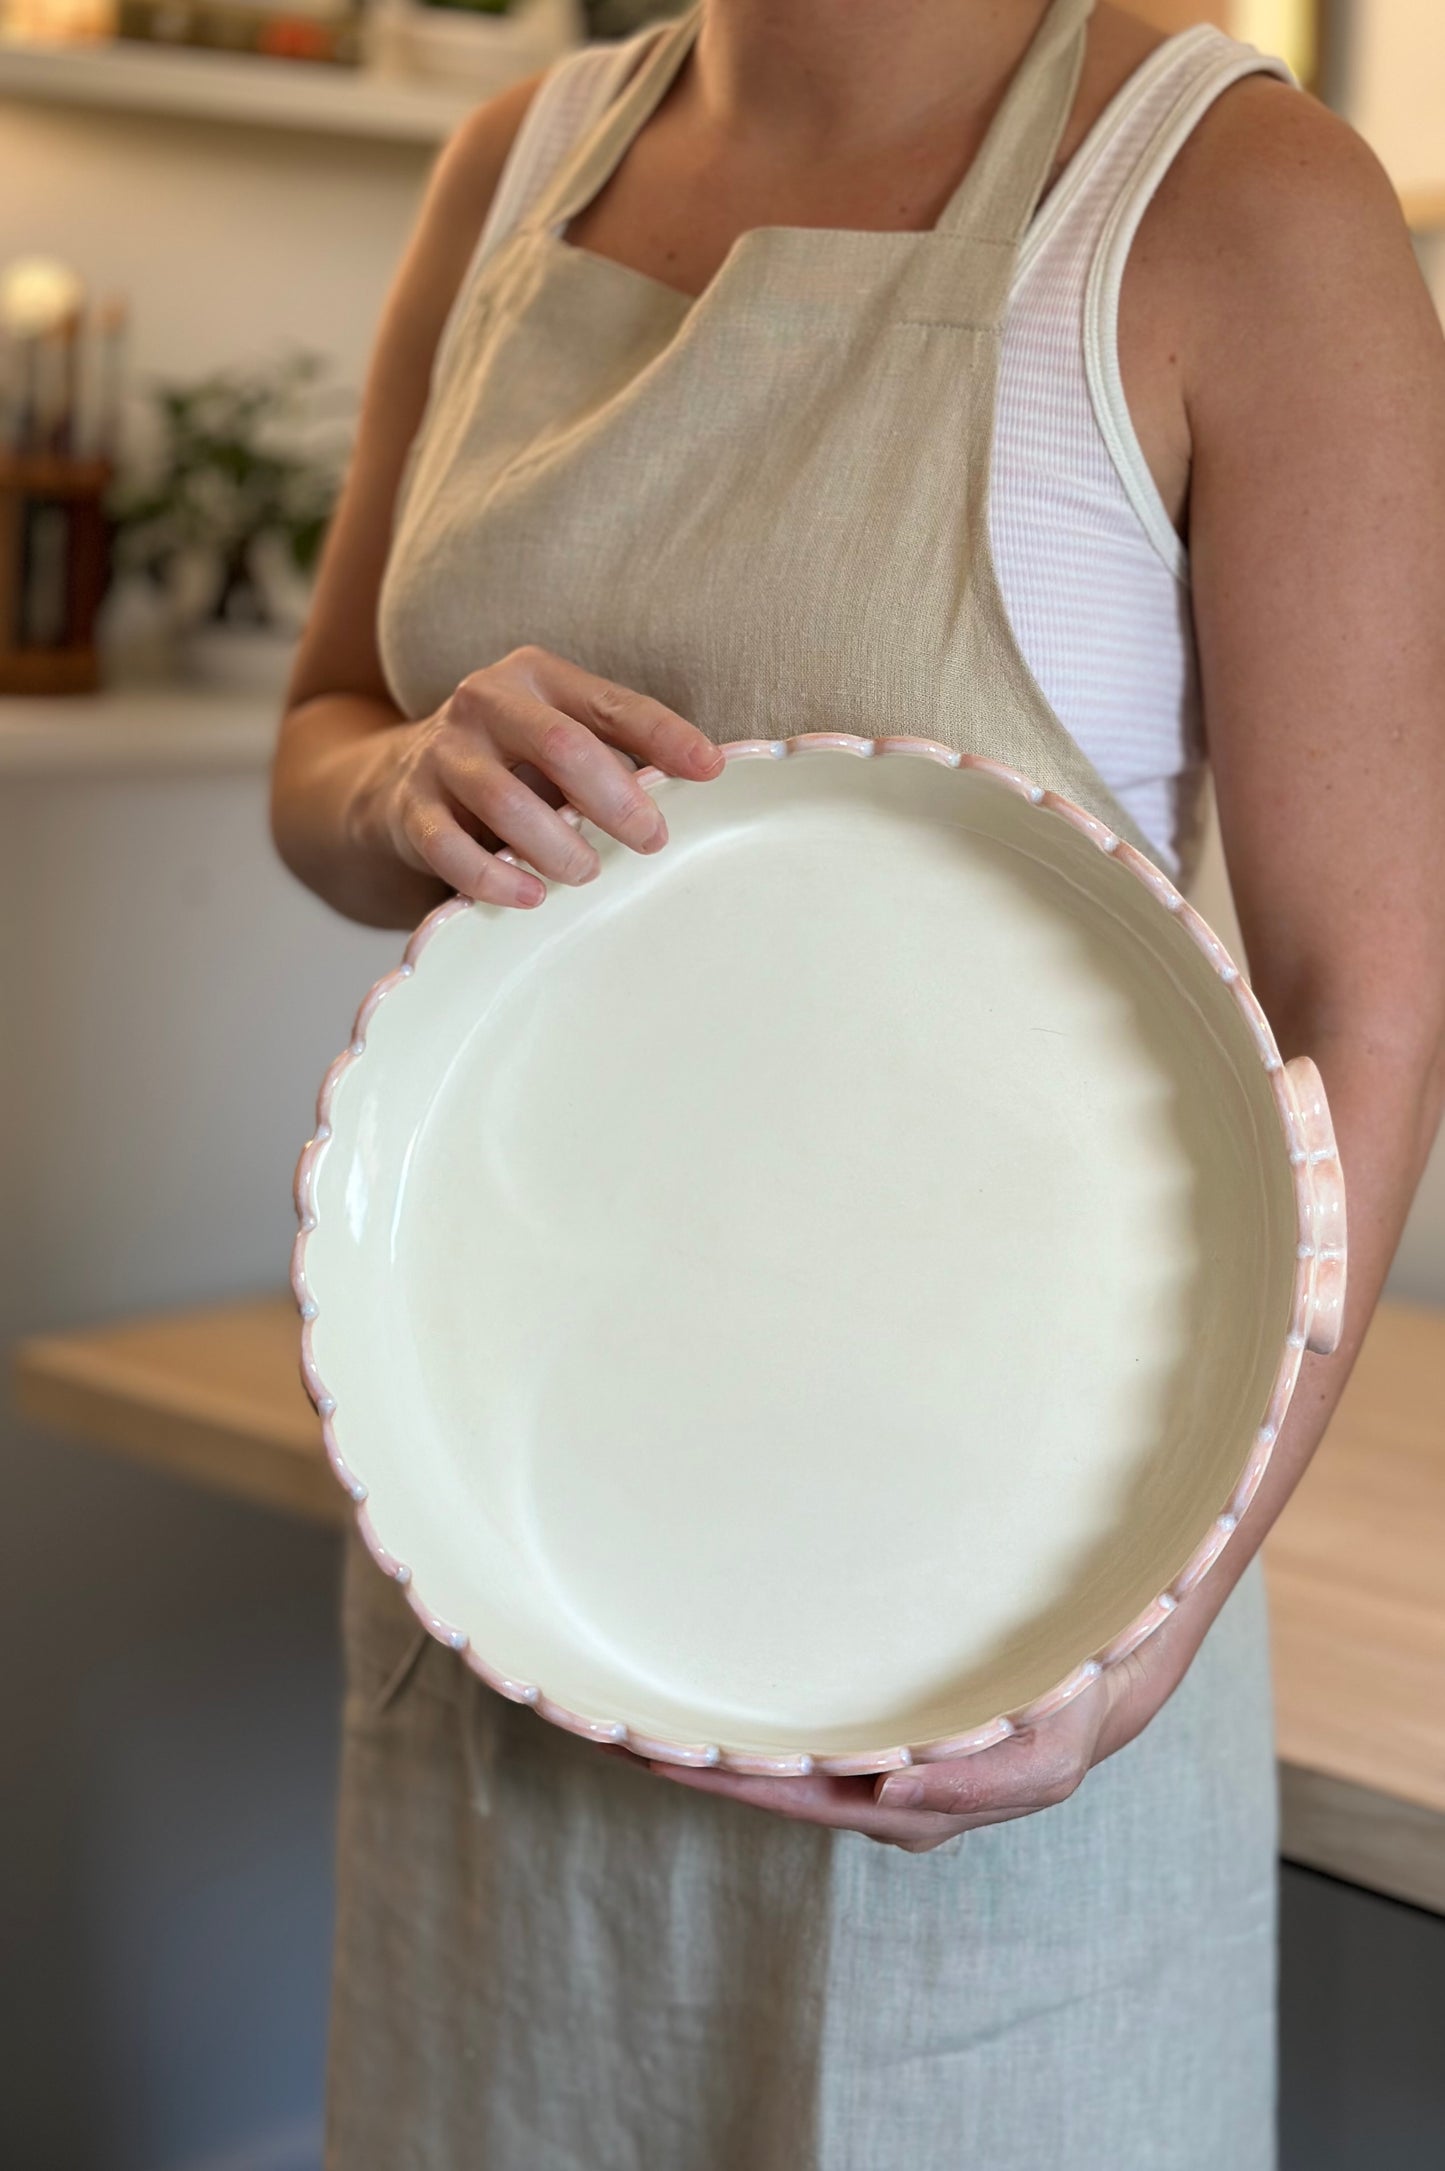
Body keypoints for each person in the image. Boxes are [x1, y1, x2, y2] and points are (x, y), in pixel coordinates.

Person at [270, 3, 1445, 2165]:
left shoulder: (1241, 204)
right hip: (523, 1576)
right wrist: (406, 781)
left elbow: (1363, 995)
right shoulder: (513, 168)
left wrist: (1155, 1630)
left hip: (999, 1633)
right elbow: (328, 734)